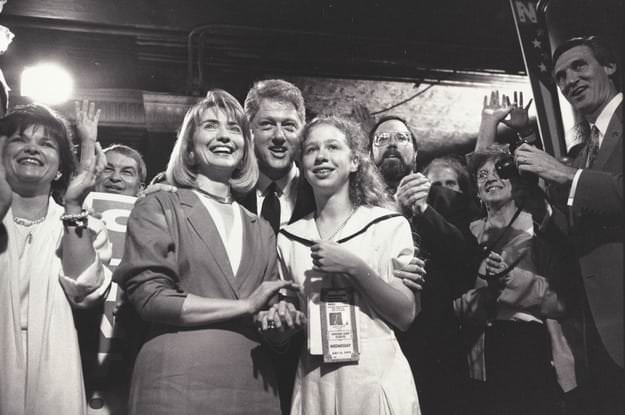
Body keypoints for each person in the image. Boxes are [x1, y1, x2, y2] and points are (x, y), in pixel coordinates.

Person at [113, 89, 298, 415]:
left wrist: (281, 325)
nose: (225, 136)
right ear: (189, 147)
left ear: (245, 149)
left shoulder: (261, 228)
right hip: (175, 383)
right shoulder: (159, 204)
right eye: (211, 126)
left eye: (235, 129)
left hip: (254, 388)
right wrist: (245, 305)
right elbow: (151, 299)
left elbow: (267, 319)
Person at [275, 116, 420, 414]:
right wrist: (283, 319)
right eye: (312, 149)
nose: (322, 156)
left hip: (375, 377)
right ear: (302, 165)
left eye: (332, 147)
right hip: (316, 380)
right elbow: (284, 326)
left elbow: (405, 314)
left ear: (354, 161)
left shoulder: (387, 225)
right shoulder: (289, 238)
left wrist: (355, 268)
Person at [513, 36, 623, 414]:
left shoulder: (573, 162)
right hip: (596, 330)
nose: (569, 80)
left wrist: (565, 175)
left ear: (608, 66)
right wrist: (542, 211)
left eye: (580, 66)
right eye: (561, 76)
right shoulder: (581, 151)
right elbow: (575, 240)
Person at [0, 101, 112, 415]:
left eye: (46, 144)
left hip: (53, 374)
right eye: (20, 140)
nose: (32, 149)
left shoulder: (85, 226)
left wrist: (74, 206)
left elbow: (83, 292)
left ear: (61, 166)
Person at [455, 145, 577, 415]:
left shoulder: (541, 231)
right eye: (482, 174)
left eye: (500, 171)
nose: (491, 178)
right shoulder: (466, 237)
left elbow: (561, 301)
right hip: (482, 355)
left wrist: (510, 280)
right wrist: (488, 293)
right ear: (476, 191)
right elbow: (455, 304)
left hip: (533, 350)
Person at [371, 115, 476, 415]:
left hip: (436, 340)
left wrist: (423, 210)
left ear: (416, 154)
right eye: (382, 139)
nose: (392, 144)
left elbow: (465, 261)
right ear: (369, 155)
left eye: (401, 138)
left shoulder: (446, 198)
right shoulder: (358, 204)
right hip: (381, 335)